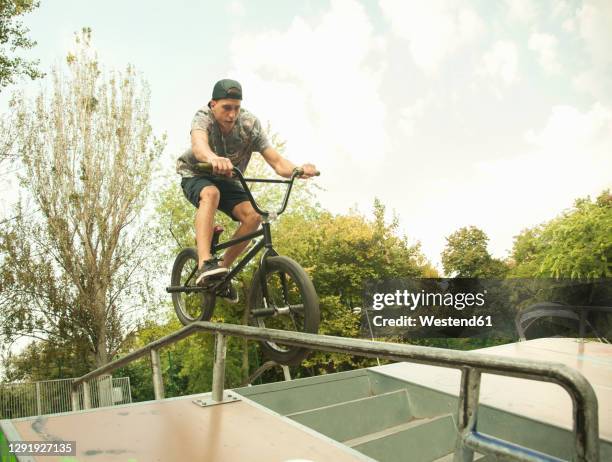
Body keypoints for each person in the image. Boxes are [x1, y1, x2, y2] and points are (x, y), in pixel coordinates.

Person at [176, 79, 318, 298]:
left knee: (254, 216)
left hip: (229, 179)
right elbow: (199, 146)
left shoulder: (250, 125)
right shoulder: (203, 117)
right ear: (213, 104)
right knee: (211, 193)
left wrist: (298, 170)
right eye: (226, 108)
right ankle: (205, 262)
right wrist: (213, 158)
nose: (232, 115)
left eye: (236, 108)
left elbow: (278, 163)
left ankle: (221, 272)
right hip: (197, 174)